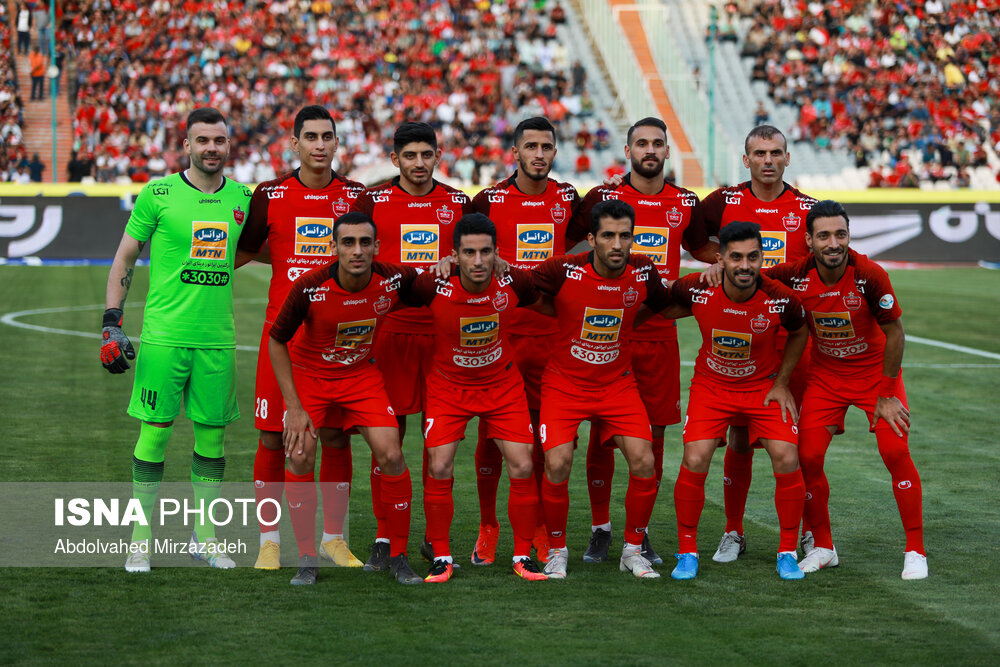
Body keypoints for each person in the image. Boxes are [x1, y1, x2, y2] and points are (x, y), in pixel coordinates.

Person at [101, 107, 253, 573]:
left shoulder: (244, 199)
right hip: (164, 339)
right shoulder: (159, 193)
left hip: (217, 341)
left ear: (229, 146)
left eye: (220, 140)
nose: (212, 148)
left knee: (212, 444)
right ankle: (140, 543)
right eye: (202, 140)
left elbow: (266, 251)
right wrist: (111, 322)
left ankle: (204, 540)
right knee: (154, 438)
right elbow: (125, 256)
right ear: (186, 145)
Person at [572, 117, 718, 565]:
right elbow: (568, 242)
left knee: (653, 438)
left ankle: (641, 532)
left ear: (667, 151)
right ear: (628, 149)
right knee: (602, 434)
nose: (649, 150)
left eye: (657, 143)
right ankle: (600, 529)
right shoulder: (603, 197)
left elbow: (702, 249)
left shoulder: (684, 202)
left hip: (658, 334)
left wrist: (742, 263)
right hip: (607, 331)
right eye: (641, 143)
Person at [765, 200, 927, 580]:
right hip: (827, 379)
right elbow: (753, 277)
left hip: (875, 379)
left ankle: (916, 550)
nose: (833, 243)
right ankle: (823, 546)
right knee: (806, 457)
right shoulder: (796, 273)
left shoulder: (869, 273)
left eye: (840, 234)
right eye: (824, 235)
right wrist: (719, 268)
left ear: (849, 235)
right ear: (809, 240)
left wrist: (887, 394)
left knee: (895, 451)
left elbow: (895, 333)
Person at [238, 105, 366, 571]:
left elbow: (370, 256)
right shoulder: (269, 194)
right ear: (294, 144)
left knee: (334, 437)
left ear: (336, 143)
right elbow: (247, 249)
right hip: (283, 340)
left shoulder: (354, 196)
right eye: (309, 136)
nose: (318, 144)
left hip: (336, 343)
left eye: (326, 136)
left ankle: (333, 538)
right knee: (274, 441)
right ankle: (269, 540)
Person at [268, 211, 423, 586]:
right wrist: (293, 407)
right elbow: (277, 340)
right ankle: (307, 557)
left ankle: (398, 556)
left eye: (365, 242)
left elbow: (430, 284)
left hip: (360, 375)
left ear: (376, 247)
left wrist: (454, 265)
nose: (357, 250)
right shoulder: (310, 286)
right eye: (348, 242)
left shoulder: (395, 278)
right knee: (302, 453)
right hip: (311, 376)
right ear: (334, 246)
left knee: (392, 453)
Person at [351, 121, 475, 570]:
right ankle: (385, 537)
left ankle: (433, 540)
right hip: (389, 335)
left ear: (437, 156)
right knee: (389, 441)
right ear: (395, 159)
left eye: (427, 154)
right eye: (410, 155)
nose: (419, 163)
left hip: (444, 336)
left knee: (437, 444)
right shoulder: (374, 199)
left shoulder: (458, 203)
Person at [532, 199, 677, 580]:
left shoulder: (643, 270)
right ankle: (558, 551)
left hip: (617, 384)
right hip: (565, 383)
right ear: (592, 239)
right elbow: (520, 287)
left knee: (644, 461)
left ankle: (632, 549)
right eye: (608, 236)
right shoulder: (563, 268)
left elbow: (663, 304)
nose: (617, 244)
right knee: (558, 462)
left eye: (625, 236)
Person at [403, 214, 548, 582]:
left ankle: (521, 556)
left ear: (496, 252)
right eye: (469, 253)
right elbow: (397, 292)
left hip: (501, 385)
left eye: (486, 252)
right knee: (439, 466)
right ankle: (442, 557)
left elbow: (540, 296)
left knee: (523, 465)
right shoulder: (434, 283)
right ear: (455, 255)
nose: (479, 261)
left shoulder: (513, 281)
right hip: (449, 388)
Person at [702, 124, 817, 563]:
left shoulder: (805, 208)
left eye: (775, 153)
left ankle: (806, 531)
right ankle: (734, 531)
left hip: (791, 338)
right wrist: (715, 263)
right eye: (759, 153)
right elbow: (695, 237)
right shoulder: (725, 202)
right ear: (745, 159)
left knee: (796, 441)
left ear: (787, 158)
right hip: (742, 336)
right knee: (737, 436)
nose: (767, 160)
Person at [669, 221, 808, 581]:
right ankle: (686, 551)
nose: (745, 265)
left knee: (787, 455)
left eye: (752, 257)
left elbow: (799, 330)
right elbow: (658, 303)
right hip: (712, 388)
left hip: (761, 388)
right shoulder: (698, 289)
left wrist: (782, 384)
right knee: (696, 456)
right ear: (720, 259)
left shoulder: (779, 296)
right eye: (736, 257)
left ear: (762, 257)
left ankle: (787, 551)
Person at [470, 116, 581, 567]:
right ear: (514, 152)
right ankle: (487, 526)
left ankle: (535, 526)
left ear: (555, 152)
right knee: (491, 432)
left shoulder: (569, 198)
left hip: (552, 334)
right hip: (502, 335)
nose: (539, 154)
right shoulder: (489, 200)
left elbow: (581, 240)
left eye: (547, 146)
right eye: (530, 146)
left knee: (538, 436)